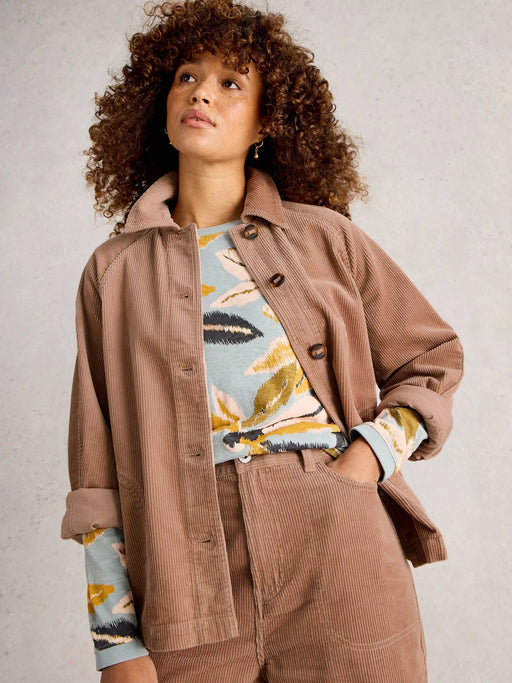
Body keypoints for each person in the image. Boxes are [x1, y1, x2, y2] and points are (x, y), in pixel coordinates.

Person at [60, 1, 464, 681]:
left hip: (334, 531)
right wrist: (116, 640)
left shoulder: (326, 238)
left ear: (265, 121)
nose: (201, 94)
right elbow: (96, 471)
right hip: (183, 563)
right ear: (159, 104)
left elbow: (431, 358)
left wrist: (367, 459)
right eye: (187, 77)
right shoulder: (113, 271)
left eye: (230, 83)